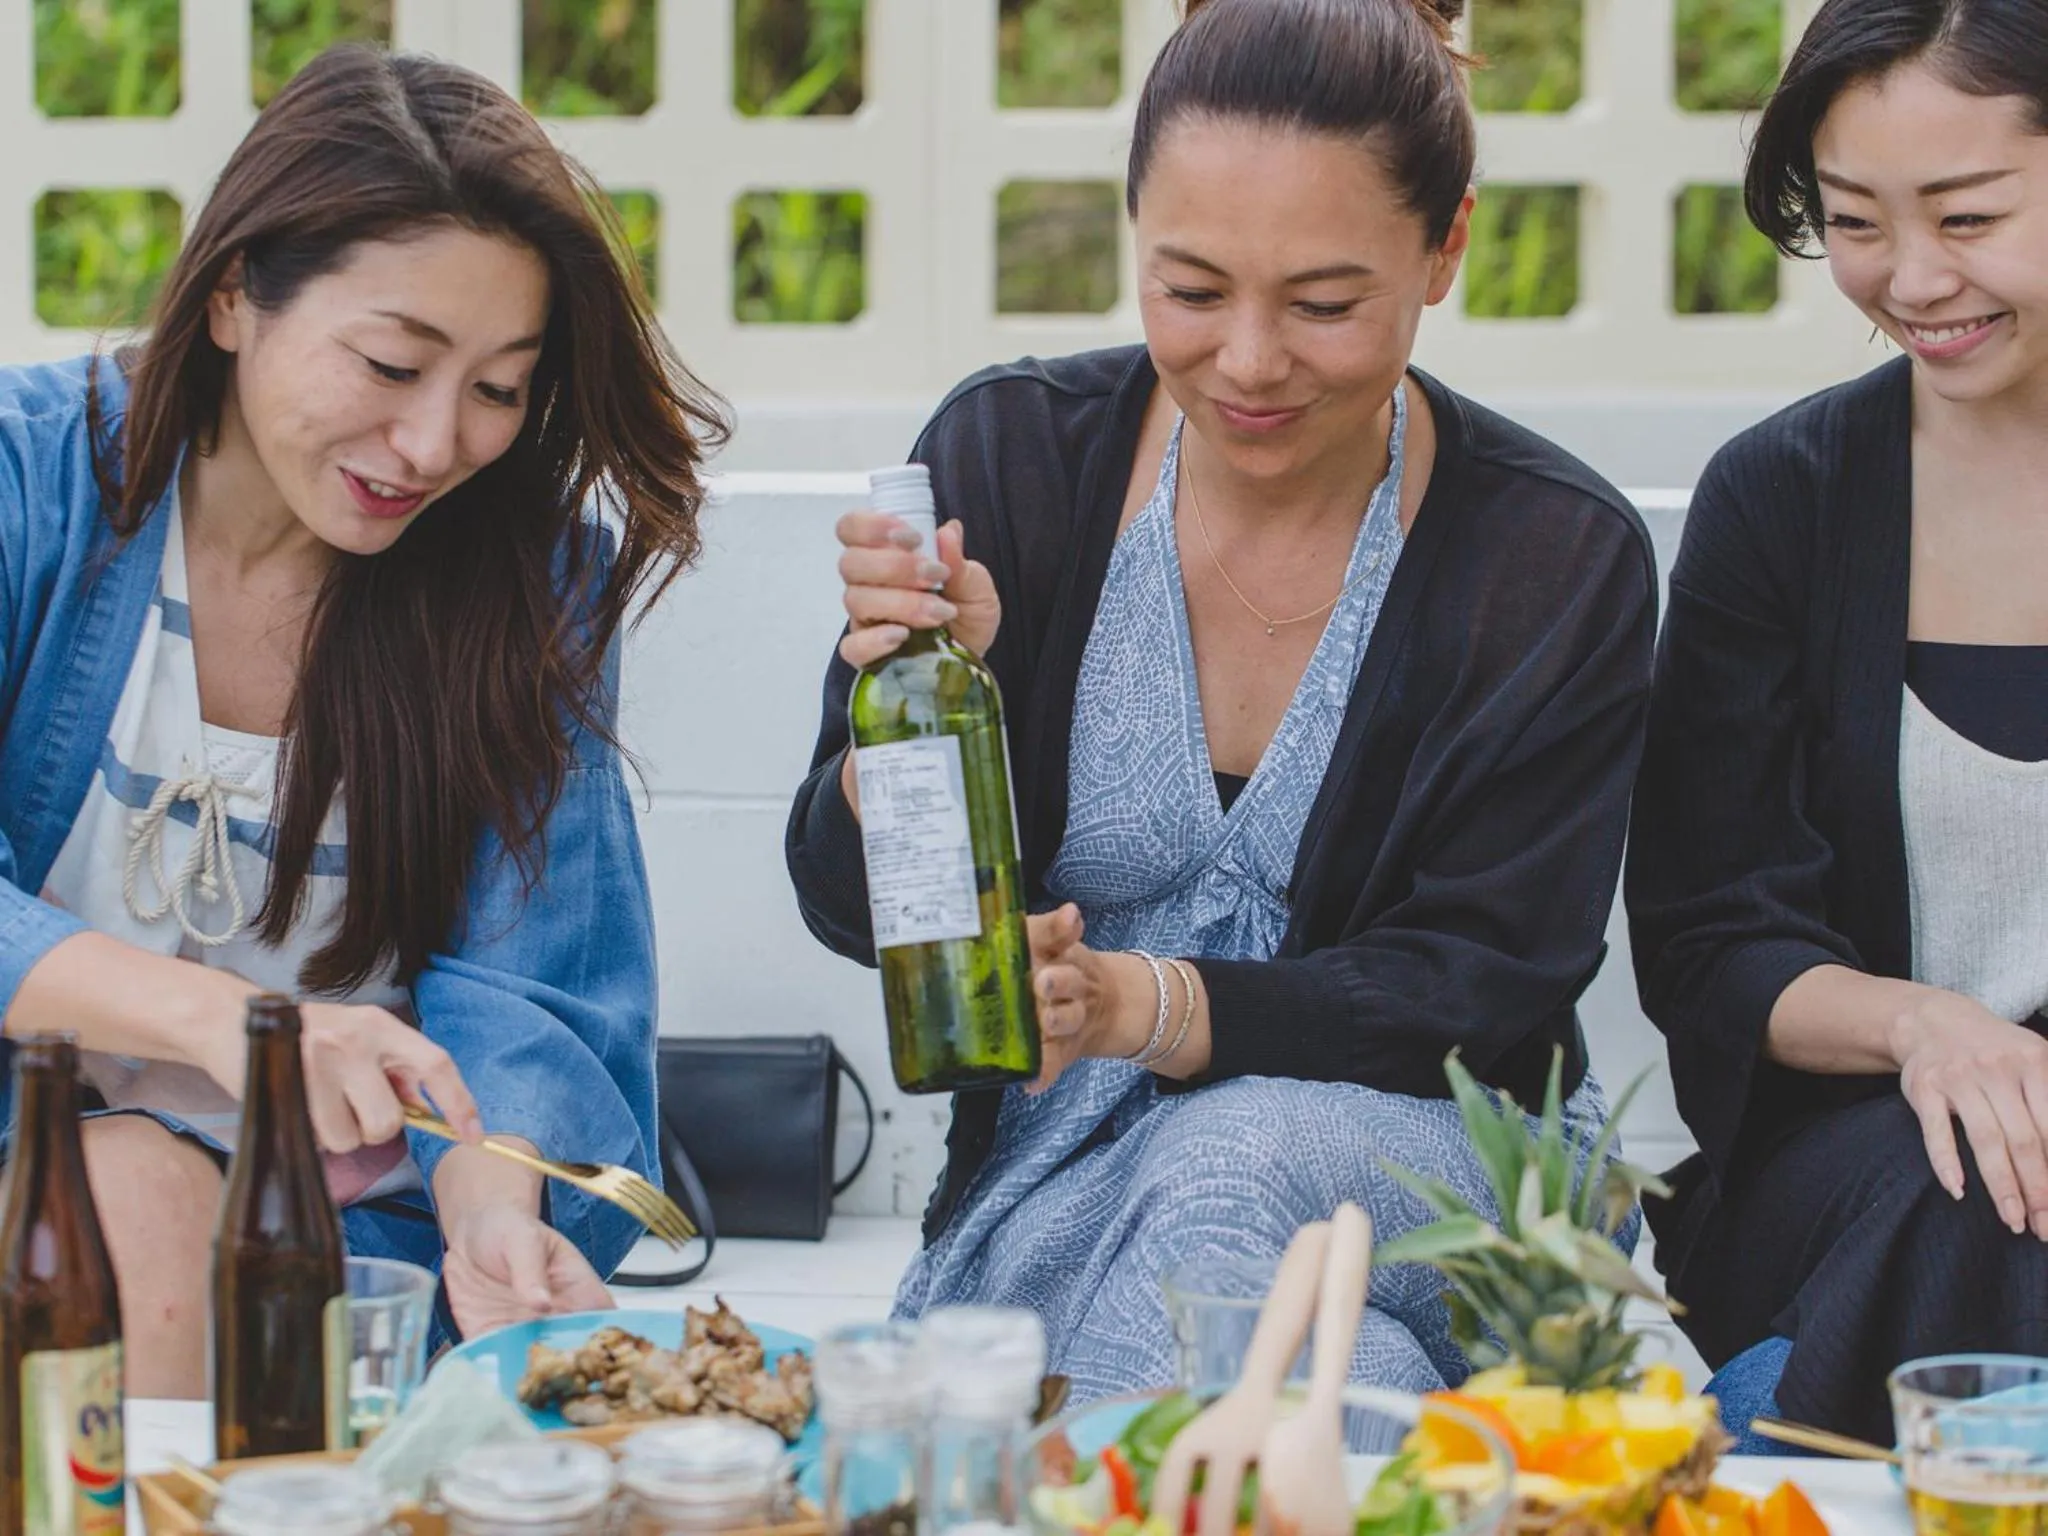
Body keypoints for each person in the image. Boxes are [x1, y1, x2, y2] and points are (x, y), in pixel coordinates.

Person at [788, 0, 1657, 1399]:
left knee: (1222, 1159)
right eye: (1191, 291)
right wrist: (927, 720)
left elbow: (1484, 979)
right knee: (1307, 1358)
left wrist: (1153, 1005)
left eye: (1323, 304)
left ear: (1447, 250)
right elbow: (852, 907)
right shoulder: (1008, 457)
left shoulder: (1550, 556)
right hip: (1060, 1169)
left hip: (1440, 1160)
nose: (1249, 362)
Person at [0, 44, 725, 1396]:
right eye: (393, 363)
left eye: (500, 388)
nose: (436, 443)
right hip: (36, 1175)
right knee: (132, 1195)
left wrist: (493, 1218)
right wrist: (231, 1024)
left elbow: (531, 986)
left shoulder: (528, 576)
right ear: (232, 296)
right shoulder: (25, 481)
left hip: (350, 1231)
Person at [1626, 0, 2048, 1447]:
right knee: (1984, 1189)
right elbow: (1710, 940)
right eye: (1858, 221)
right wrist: (1933, 1032)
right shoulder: (1782, 502)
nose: (1912, 279)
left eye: (1970, 216)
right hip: (1864, 1163)